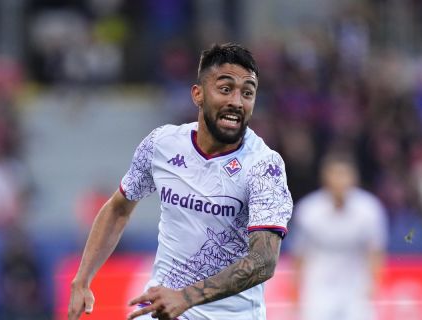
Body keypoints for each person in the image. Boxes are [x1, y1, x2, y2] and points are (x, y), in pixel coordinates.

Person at [68, 43, 293, 320]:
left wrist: (186, 297)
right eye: (225, 89)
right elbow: (118, 208)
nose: (237, 101)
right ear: (198, 94)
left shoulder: (264, 166)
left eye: (247, 92)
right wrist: (82, 279)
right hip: (163, 308)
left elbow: (263, 262)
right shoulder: (162, 144)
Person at [291, 152, 387, 320]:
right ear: (325, 178)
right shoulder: (309, 210)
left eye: (344, 174)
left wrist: (373, 285)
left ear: (354, 177)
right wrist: (296, 290)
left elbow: (375, 251)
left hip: (356, 289)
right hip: (317, 289)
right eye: (334, 174)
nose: (339, 180)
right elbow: (300, 255)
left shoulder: (369, 209)